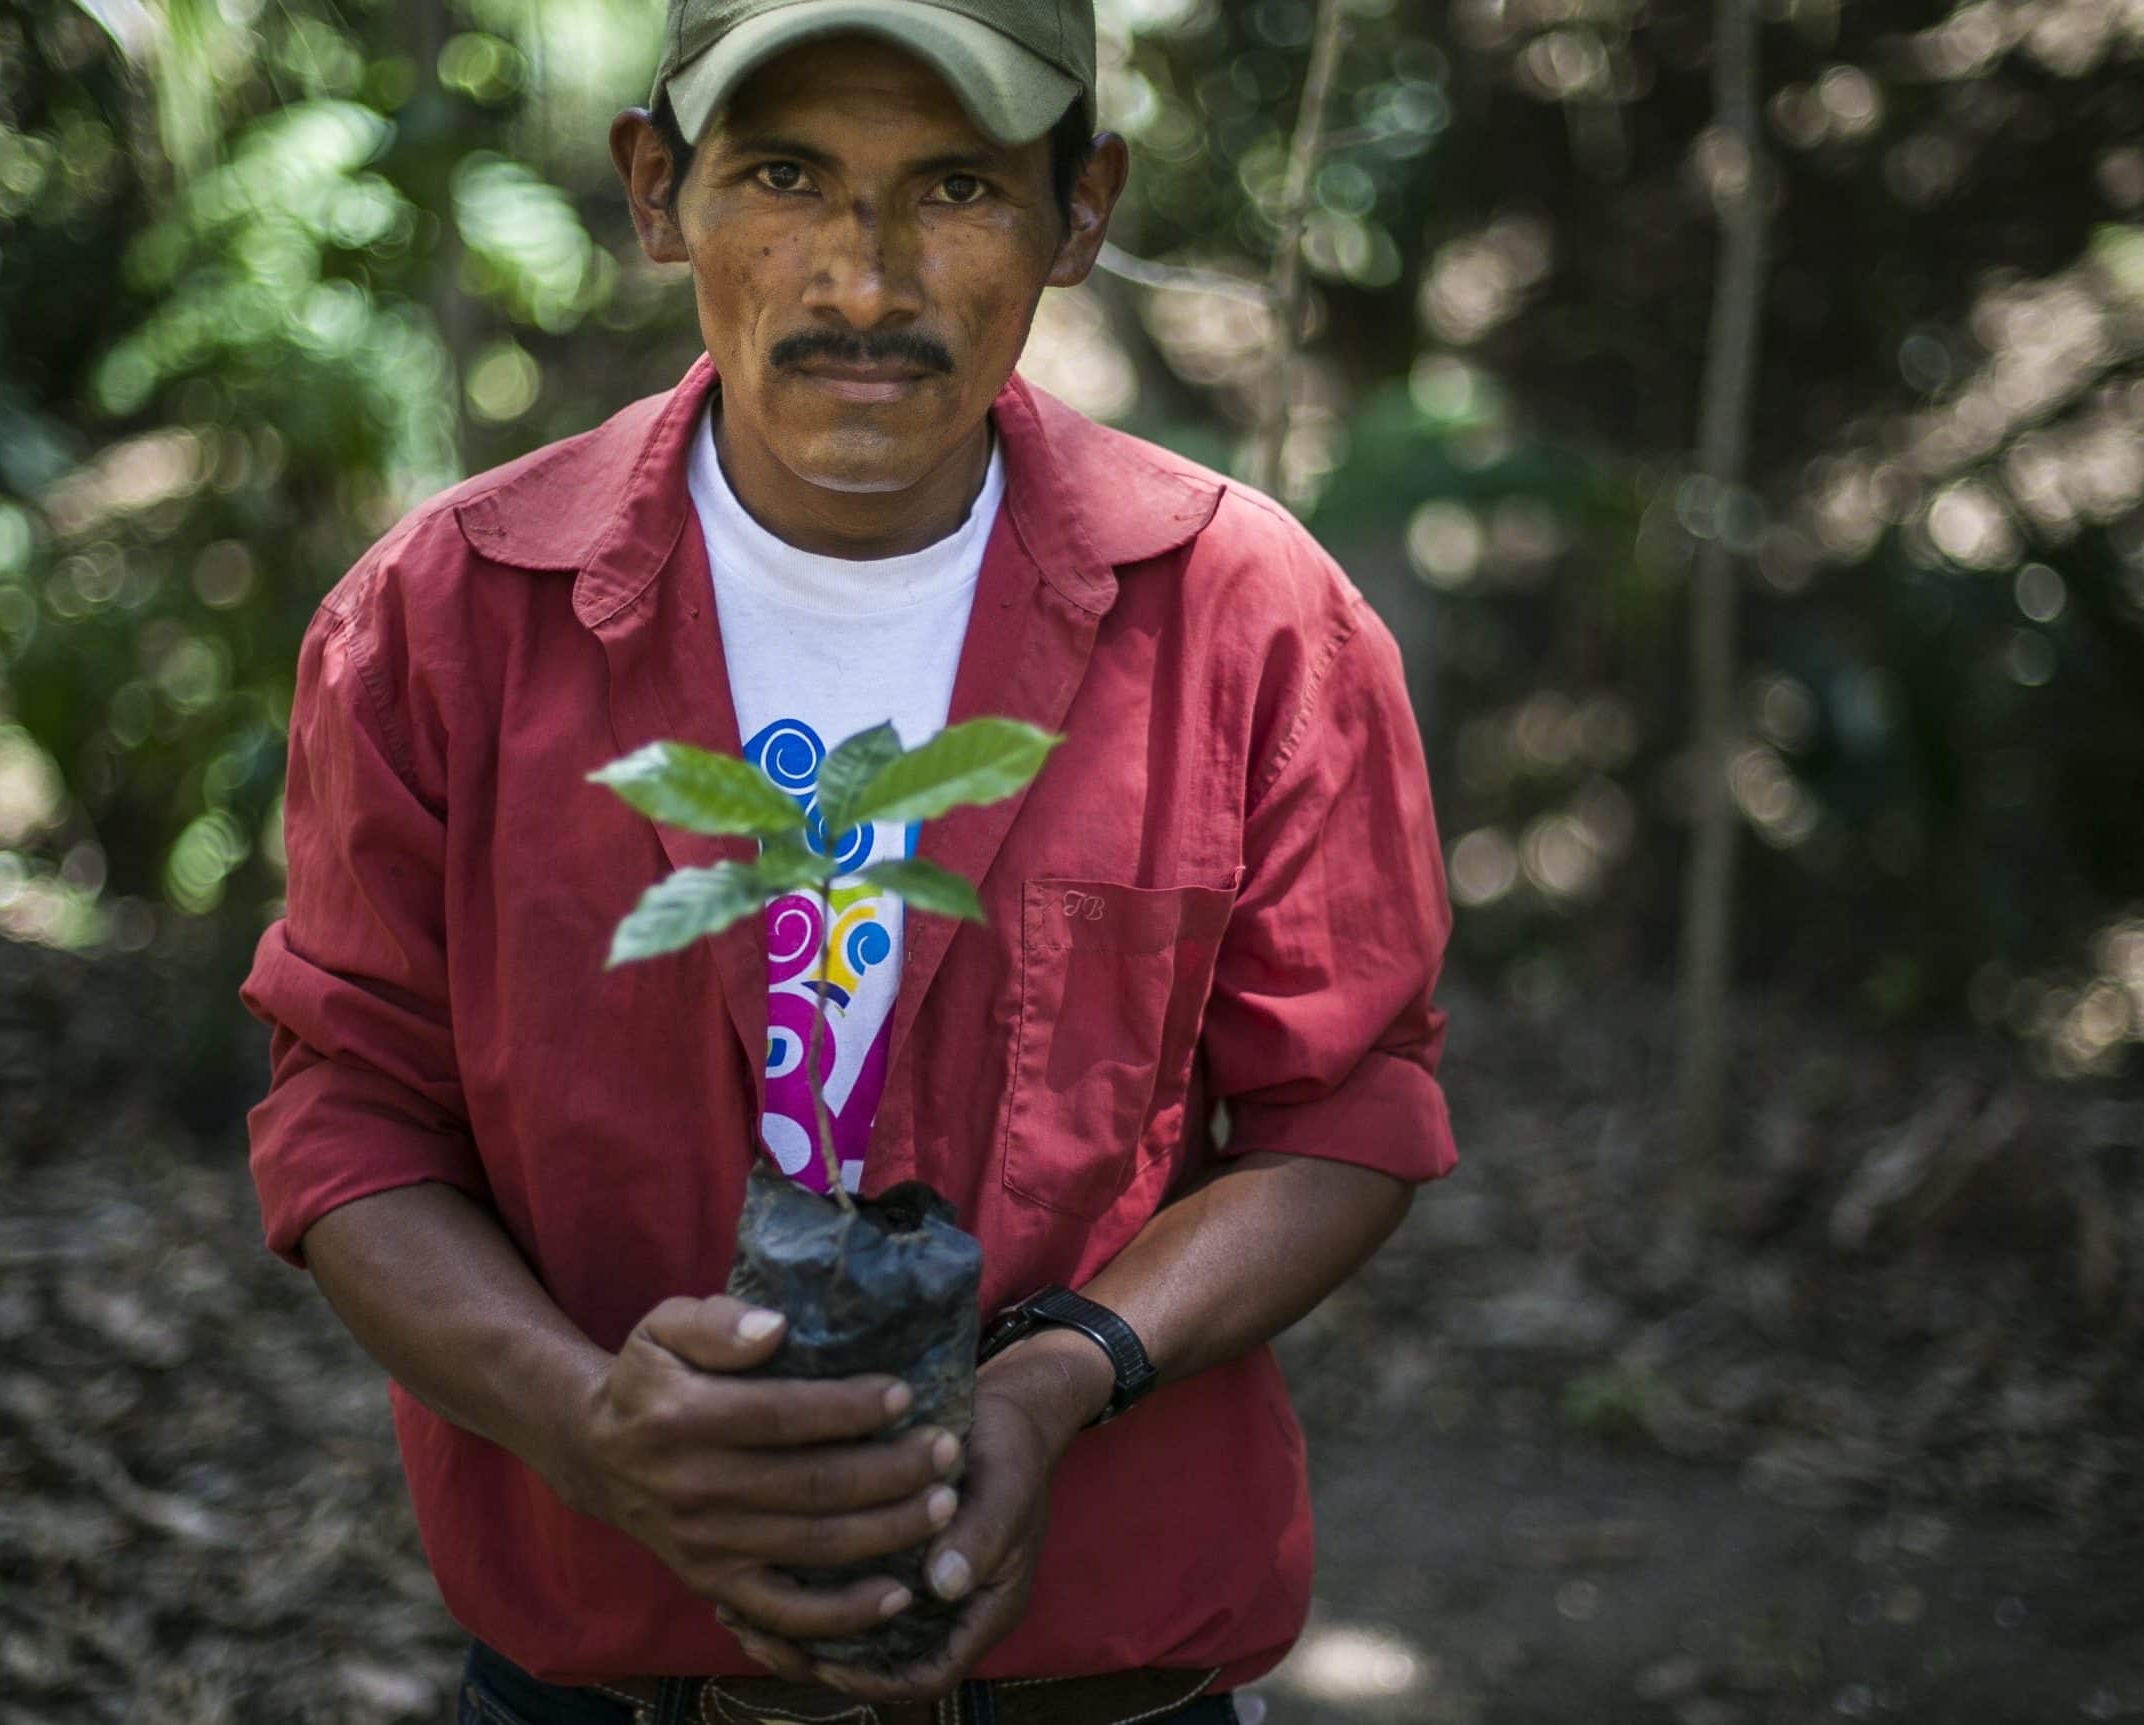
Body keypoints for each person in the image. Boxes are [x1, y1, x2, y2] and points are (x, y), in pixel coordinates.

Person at [237, 2, 1459, 1720]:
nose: (865, 282)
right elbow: (350, 1108)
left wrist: (1059, 1377)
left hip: (1108, 1672)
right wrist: (589, 1422)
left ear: (1081, 210)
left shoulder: (1248, 620)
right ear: (658, 190)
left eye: (954, 187)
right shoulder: (442, 624)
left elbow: (1349, 1111)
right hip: (605, 1675)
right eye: (787, 175)